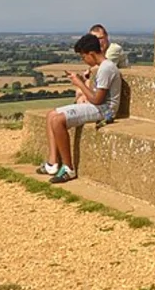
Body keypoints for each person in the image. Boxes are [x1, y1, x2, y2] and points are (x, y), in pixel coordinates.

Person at [38, 33, 123, 183]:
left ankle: (68, 168)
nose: (84, 60)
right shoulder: (103, 67)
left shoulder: (106, 69)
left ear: (91, 54)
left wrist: (79, 84)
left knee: (58, 120)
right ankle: (52, 164)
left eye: (83, 57)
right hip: (99, 106)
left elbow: (97, 99)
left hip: (105, 110)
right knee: (51, 115)